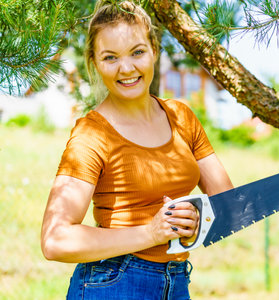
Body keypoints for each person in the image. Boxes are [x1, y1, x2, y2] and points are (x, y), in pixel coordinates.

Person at [40, 1, 233, 299]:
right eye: (110, 57)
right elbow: (55, 240)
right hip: (114, 283)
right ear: (93, 62)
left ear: (154, 50)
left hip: (176, 281)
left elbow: (227, 206)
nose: (126, 68)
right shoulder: (91, 134)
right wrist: (151, 234)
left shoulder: (182, 117)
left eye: (137, 52)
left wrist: (196, 218)